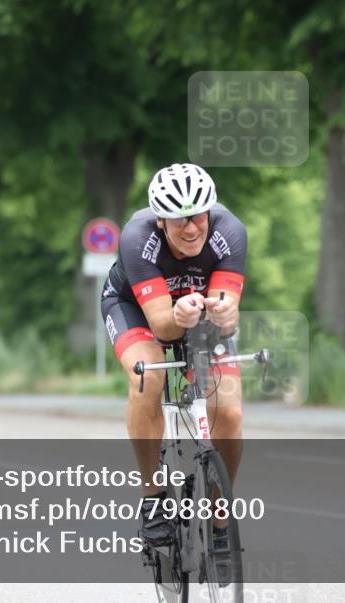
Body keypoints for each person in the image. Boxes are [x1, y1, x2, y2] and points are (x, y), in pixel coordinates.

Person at [100, 163, 246, 548]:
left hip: (198, 314)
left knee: (229, 412)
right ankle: (153, 498)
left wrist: (226, 315)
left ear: (210, 211)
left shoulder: (229, 232)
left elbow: (226, 317)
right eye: (178, 220)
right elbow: (164, 326)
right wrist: (179, 317)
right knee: (149, 375)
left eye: (197, 216)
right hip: (136, 309)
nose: (191, 228)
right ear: (161, 222)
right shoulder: (137, 238)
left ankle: (219, 519)